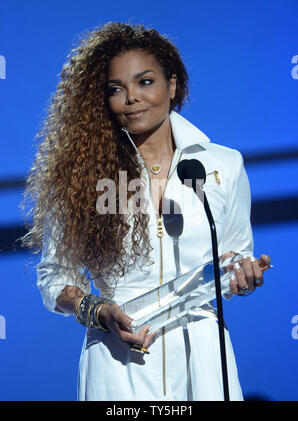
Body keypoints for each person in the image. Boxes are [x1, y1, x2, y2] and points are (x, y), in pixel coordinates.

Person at [22, 22, 272, 401]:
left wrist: (244, 275)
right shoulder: (80, 176)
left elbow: (236, 256)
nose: (131, 98)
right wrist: (97, 309)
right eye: (116, 89)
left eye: (145, 82)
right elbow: (55, 275)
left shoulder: (225, 164)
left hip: (202, 357)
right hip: (116, 359)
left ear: (172, 85)